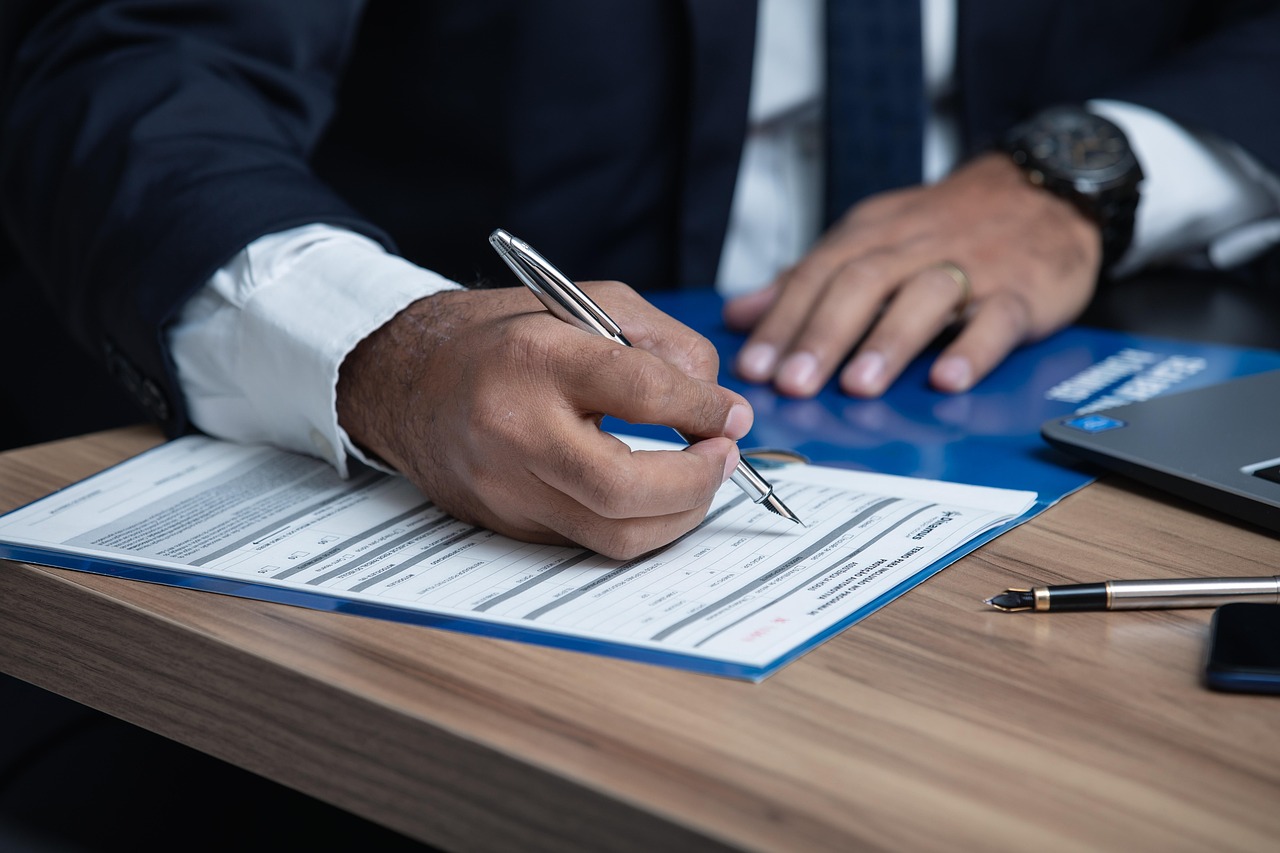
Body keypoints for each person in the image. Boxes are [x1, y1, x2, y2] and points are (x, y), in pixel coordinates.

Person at [2, 0, 1279, 559]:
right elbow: (132, 75)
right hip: (483, 485)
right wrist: (387, 347)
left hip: (1060, 380)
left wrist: (1089, 173)